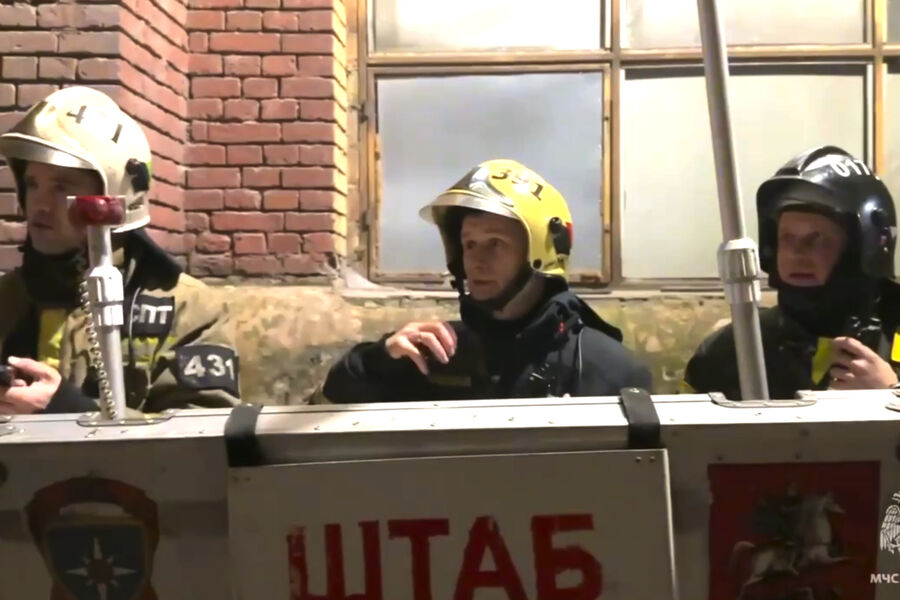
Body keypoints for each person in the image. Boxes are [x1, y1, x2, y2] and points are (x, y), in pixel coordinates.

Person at [322, 159, 652, 403]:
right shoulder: (437, 353)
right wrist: (379, 359)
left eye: (495, 243)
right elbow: (336, 399)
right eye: (469, 244)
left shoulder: (606, 368)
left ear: (540, 252)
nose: (476, 261)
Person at [0, 86, 241, 414]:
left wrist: (68, 411)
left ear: (113, 199)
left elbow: (203, 434)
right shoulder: (8, 299)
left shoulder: (188, 309)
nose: (39, 205)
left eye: (60, 187)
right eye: (32, 184)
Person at [681, 145, 900, 400]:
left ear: (864, 248)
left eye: (816, 239)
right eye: (787, 238)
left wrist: (890, 393)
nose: (796, 253)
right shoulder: (730, 351)